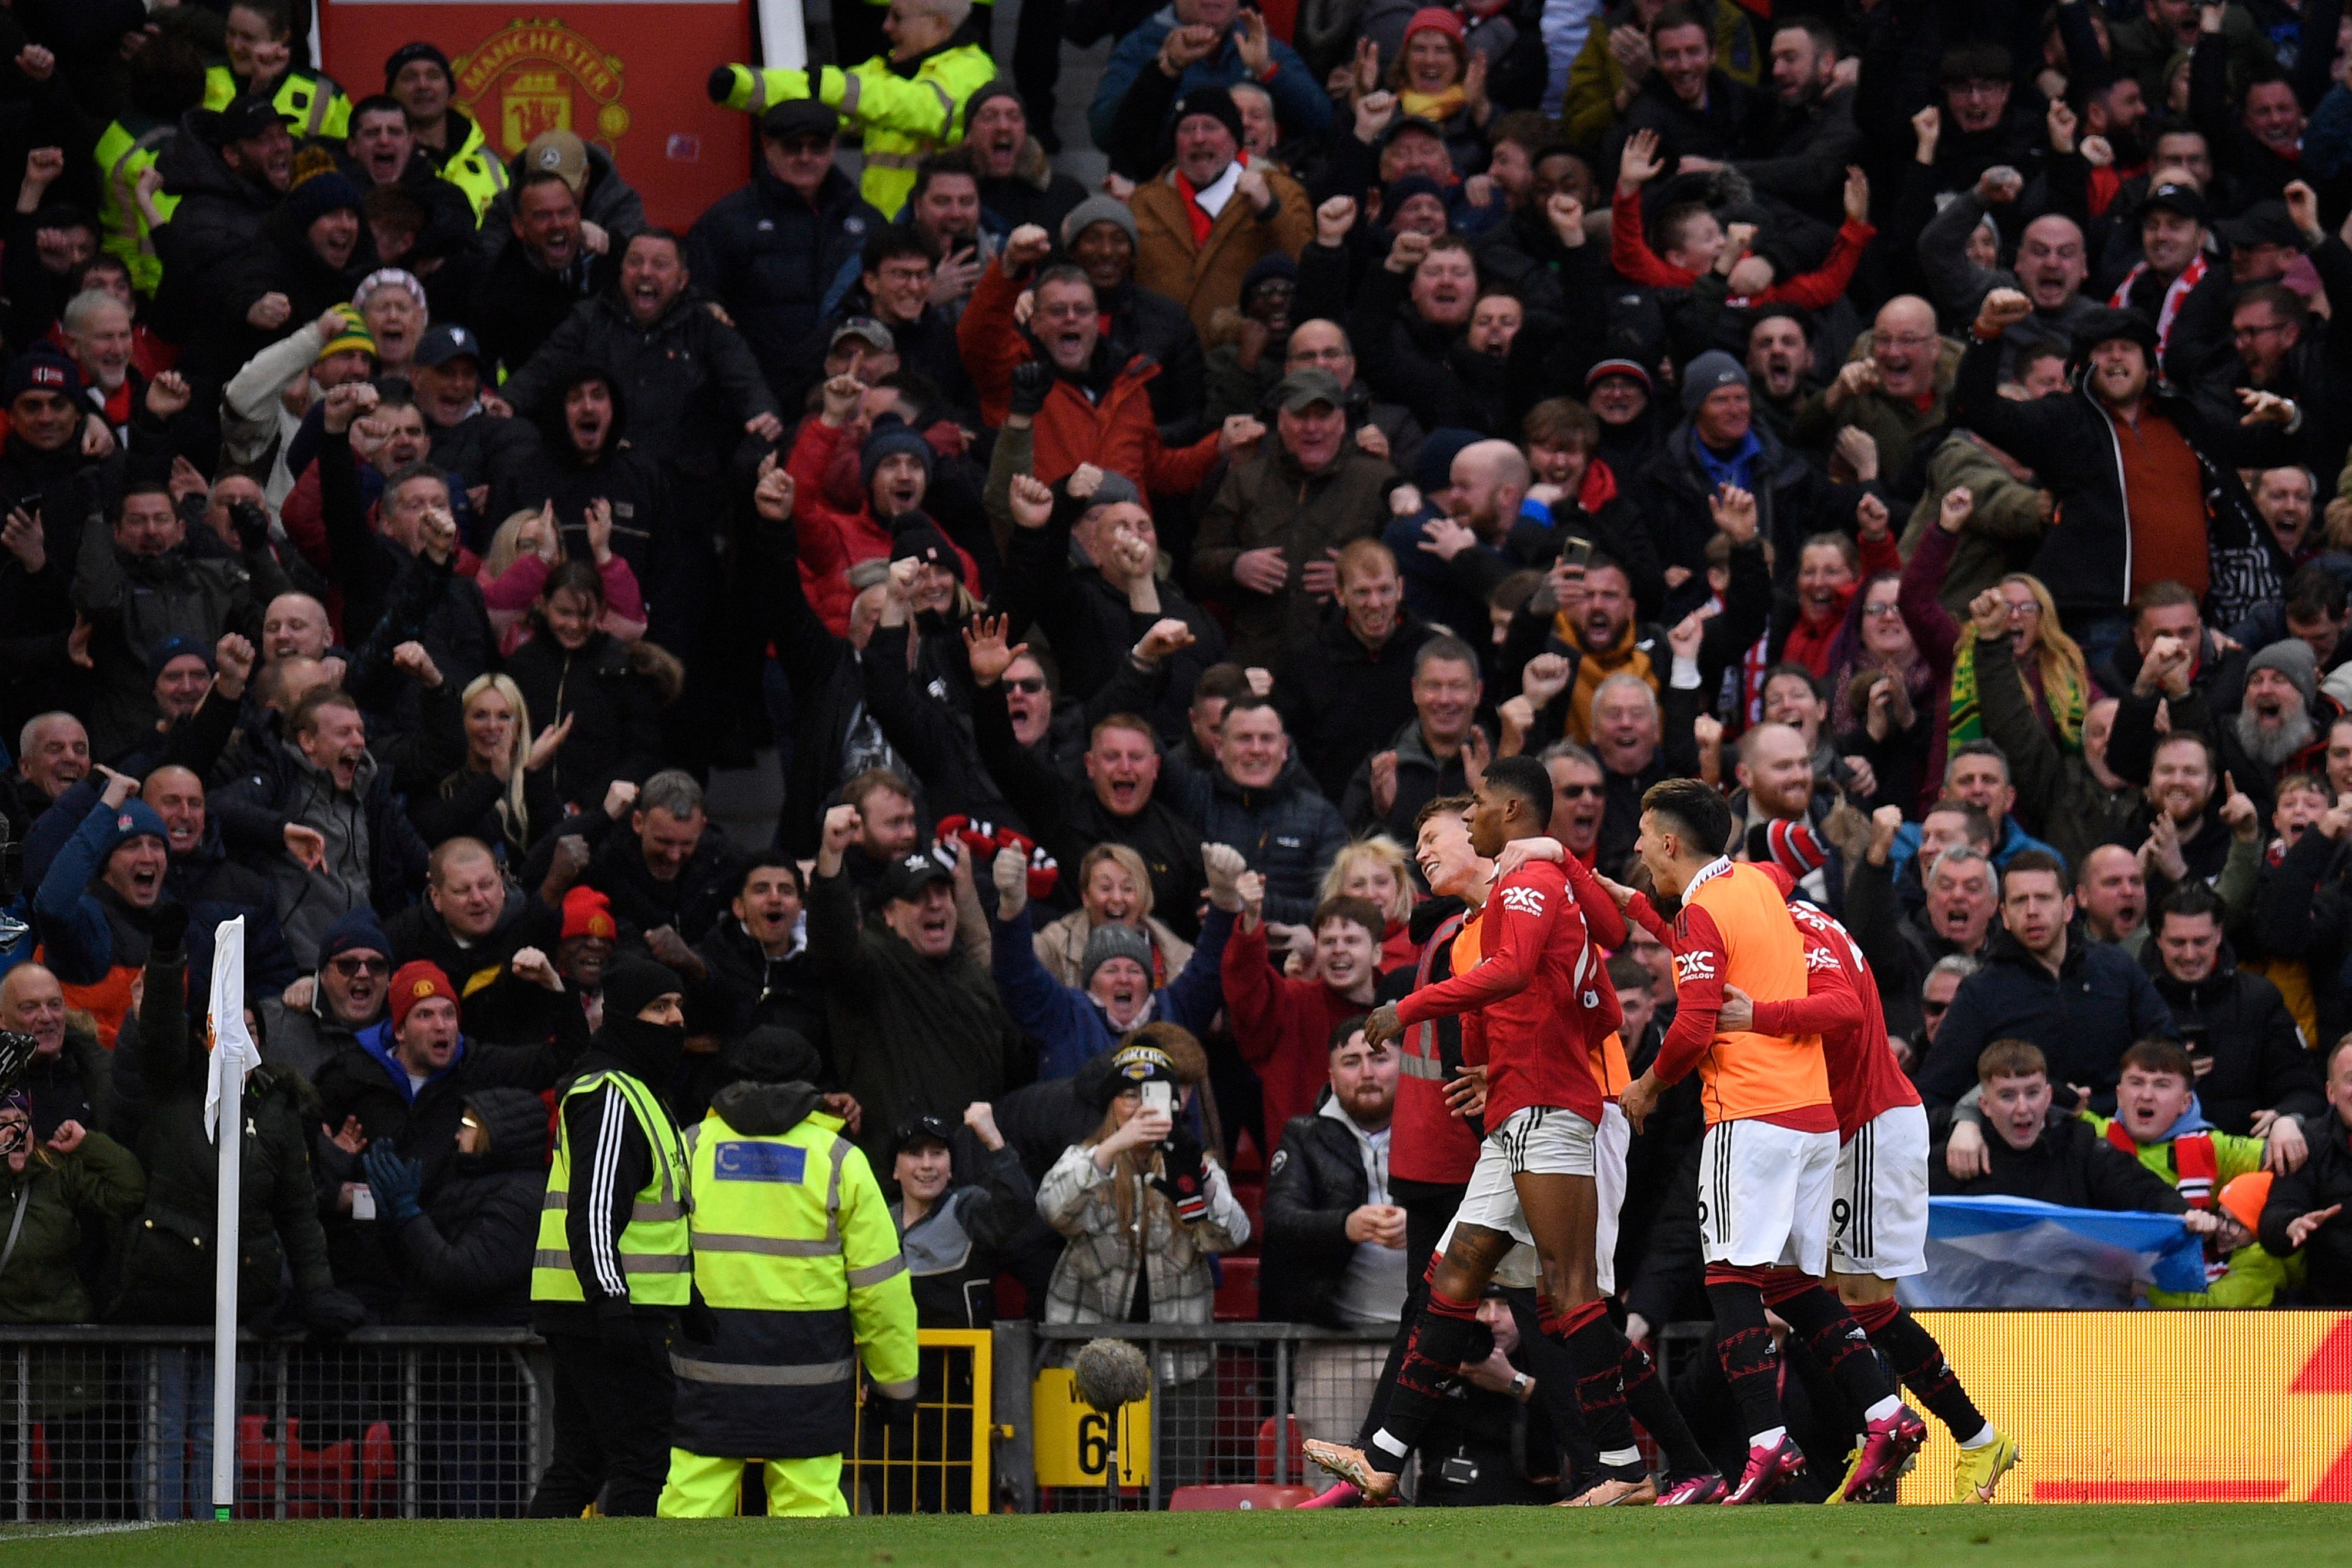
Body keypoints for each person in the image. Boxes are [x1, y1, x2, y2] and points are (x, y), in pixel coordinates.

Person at [1308, 758, 1666, 1507]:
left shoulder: (1528, 887)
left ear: (1508, 810)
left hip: (1550, 1112)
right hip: (1519, 1117)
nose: (1467, 817)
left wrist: (1409, 1008)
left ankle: (1627, 1467)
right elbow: (1604, 950)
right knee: (1452, 1281)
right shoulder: (1533, 883)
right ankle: (1381, 1458)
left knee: (1570, 1296)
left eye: (1474, 805)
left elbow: (1511, 971)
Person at [1615, 777, 1924, 1505]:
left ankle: (1765, 1441)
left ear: (1668, 841)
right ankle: (1885, 1413)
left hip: (1750, 1114)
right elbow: (1722, 931)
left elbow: (1692, 1026)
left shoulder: (1701, 911)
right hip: (1813, 1119)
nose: (1634, 845)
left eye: (1641, 834)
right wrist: (1626, 897)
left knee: (1728, 1278)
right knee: (1792, 1283)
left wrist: (1646, 1089)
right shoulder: (1758, 884)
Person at [1716, 891, 2020, 1502]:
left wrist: (1759, 1018)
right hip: (1831, 1131)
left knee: (1862, 1299)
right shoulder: (1786, 923)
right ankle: (1880, 1423)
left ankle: (1976, 1439)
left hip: (1869, 1126)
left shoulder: (1797, 937)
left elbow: (1841, 1011)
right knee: (1794, 1283)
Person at [657, 1025, 919, 1518]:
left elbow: (654, 1256)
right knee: (811, 1514)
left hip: (708, 1366)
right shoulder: (840, 1160)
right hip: (809, 1372)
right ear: (813, 1086)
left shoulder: (691, 1147)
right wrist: (896, 1384)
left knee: (689, 1508)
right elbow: (879, 1288)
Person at [1038, 1034, 1249, 1487]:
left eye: (1153, 1094)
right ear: (1112, 1103)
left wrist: (1200, 1183)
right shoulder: (1085, 1157)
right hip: (1088, 1361)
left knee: (1177, 1495)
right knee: (1087, 1503)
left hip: (1181, 1366)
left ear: (1174, 1104)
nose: (1139, 1106)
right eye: (1129, 1094)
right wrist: (1112, 1149)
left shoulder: (1194, 1161)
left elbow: (1233, 1235)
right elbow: (1053, 1209)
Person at [527, 954, 694, 1518]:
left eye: (678, 1006)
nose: (675, 1020)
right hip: (605, 1311)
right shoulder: (614, 1095)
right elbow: (596, 1214)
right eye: (659, 1007)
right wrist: (612, 1306)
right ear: (625, 1018)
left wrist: (687, 1297)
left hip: (595, 1306)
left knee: (581, 1461)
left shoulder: (634, 1092)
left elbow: (646, 1214)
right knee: (640, 1458)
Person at [1916, 850, 2176, 1113]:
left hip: (2121, 1134)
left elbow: (2168, 1056)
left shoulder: (2117, 969)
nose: (2032, 911)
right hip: (2029, 1142)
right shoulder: (1981, 993)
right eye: (2020, 901)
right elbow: (1934, 1095)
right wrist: (1968, 1122)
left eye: (2043, 899)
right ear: (2004, 916)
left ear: (2068, 908)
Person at [1262, 1019, 1408, 1449]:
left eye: (1380, 1058)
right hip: (1334, 1344)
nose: (1367, 1072)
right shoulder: (1304, 1135)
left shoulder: (1438, 1131)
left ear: (1405, 1065)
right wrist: (1345, 1225)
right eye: (1351, 1061)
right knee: (1332, 1488)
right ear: (1331, 1075)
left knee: (1420, 1493)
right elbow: (1280, 1219)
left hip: (1420, 1342)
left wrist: (1420, 1225)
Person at [707, 0, 996, 218]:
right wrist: (743, 86)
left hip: (943, 231)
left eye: (897, 17)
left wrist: (833, 88)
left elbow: (925, 109)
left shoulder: (973, 70)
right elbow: (811, 94)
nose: (887, 27)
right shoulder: (886, 73)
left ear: (940, 25)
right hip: (884, 234)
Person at [890, 1102, 1035, 1327]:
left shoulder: (967, 1209)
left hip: (967, 1361)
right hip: (894, 1361)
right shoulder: (879, 1221)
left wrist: (993, 1140)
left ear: (950, 1169)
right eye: (915, 1154)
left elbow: (1017, 1204)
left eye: (937, 1153)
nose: (927, 1165)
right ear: (895, 1170)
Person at [2259, 1036, 2352, 1303]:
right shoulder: (2309, 1142)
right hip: (2333, 1312)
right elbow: (2275, 1216)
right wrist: (2292, 1225)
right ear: (2330, 1093)